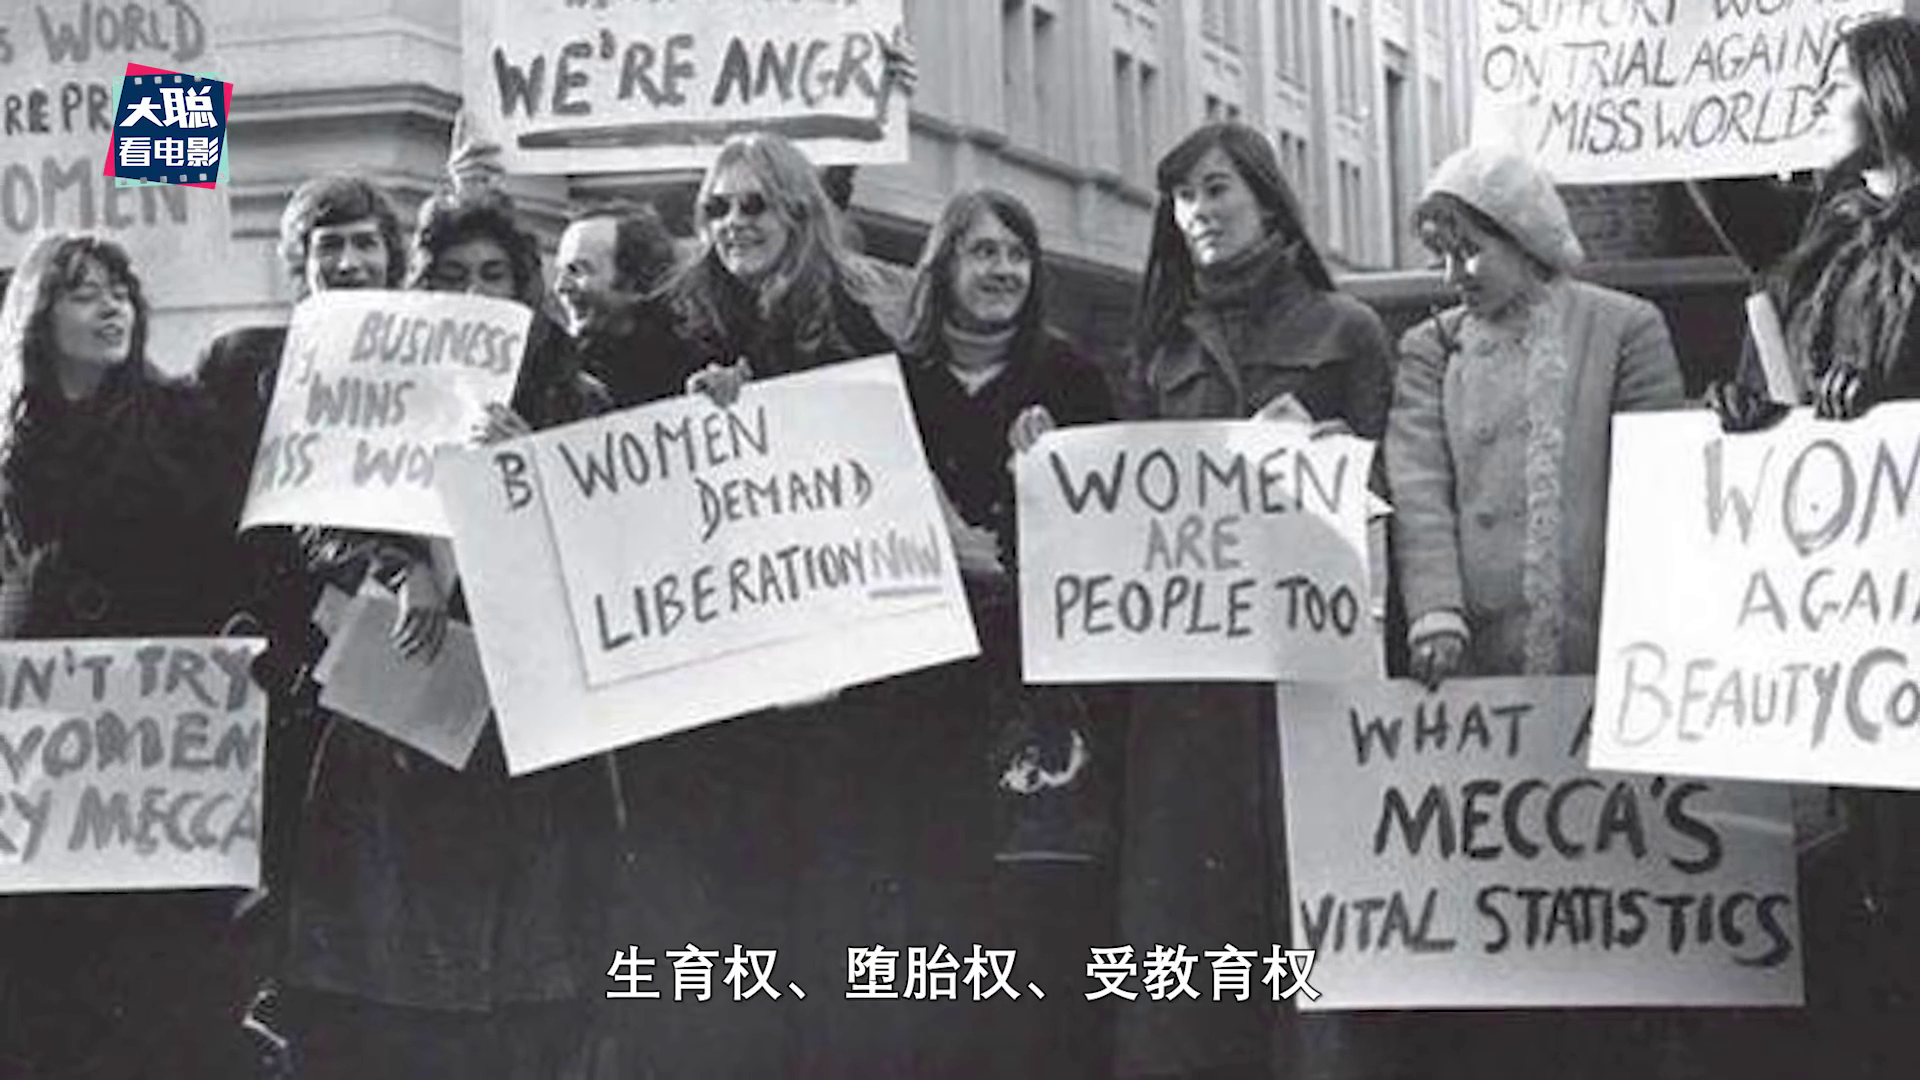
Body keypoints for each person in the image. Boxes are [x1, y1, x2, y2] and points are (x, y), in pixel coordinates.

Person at [275, 185, 621, 1080]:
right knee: (395, 979)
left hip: (517, 718)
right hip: (400, 707)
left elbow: (601, 544)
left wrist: (526, 467)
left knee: (515, 980)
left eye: (493, 275)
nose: (474, 293)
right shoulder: (373, 381)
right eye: (454, 276)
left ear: (523, 285)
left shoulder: (574, 393)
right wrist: (398, 569)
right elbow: (315, 522)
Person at [1114, 120, 1394, 1080]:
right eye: (1184, 195)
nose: (1197, 211)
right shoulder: (1160, 342)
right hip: (1190, 685)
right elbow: (1125, 506)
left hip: (1305, 674)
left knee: (1308, 896)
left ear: (1269, 201)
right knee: (1191, 914)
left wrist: (1335, 462)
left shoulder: (1346, 329)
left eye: (1217, 188)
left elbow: (1391, 491)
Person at [1695, 17, 1920, 1078]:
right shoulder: (1823, 236)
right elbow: (1782, 384)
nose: (1819, 107)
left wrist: (1887, 401)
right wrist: (1751, 408)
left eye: (1834, 86)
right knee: (1861, 861)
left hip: (1906, 596)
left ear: (1888, 93)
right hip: (1843, 617)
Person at [0, 232, 257, 1079]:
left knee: (164, 977)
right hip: (44, 757)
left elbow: (232, 561)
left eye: (120, 290)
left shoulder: (185, 421)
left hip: (163, 752)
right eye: (84, 293)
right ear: (39, 318)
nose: (112, 307)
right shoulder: (10, 448)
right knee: (46, 976)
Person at [894, 187, 1119, 1076]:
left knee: (1040, 923)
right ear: (942, 264)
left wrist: (1049, 487)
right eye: (981, 251)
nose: (1002, 270)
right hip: (921, 696)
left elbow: (1111, 543)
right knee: (937, 923)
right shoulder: (891, 381)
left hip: (1038, 700)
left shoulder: (1070, 379)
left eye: (1018, 253)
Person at [194, 175, 414, 1060]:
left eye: (366, 244)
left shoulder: (432, 362)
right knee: (285, 881)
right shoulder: (243, 363)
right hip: (283, 654)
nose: (350, 261)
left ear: (393, 258)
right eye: (330, 247)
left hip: (396, 653)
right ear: (300, 262)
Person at [549, 200, 691, 409]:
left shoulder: (692, 371)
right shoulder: (554, 369)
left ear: (637, 281)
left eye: (577, 270)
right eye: (561, 271)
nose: (560, 287)